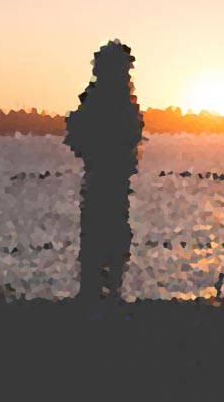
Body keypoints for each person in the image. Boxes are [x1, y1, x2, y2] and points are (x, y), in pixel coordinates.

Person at [64, 40, 143, 309]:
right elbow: (79, 134)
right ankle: (100, 296)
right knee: (102, 241)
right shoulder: (107, 100)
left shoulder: (112, 100)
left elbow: (77, 134)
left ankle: (105, 296)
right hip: (105, 180)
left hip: (110, 180)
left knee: (106, 241)